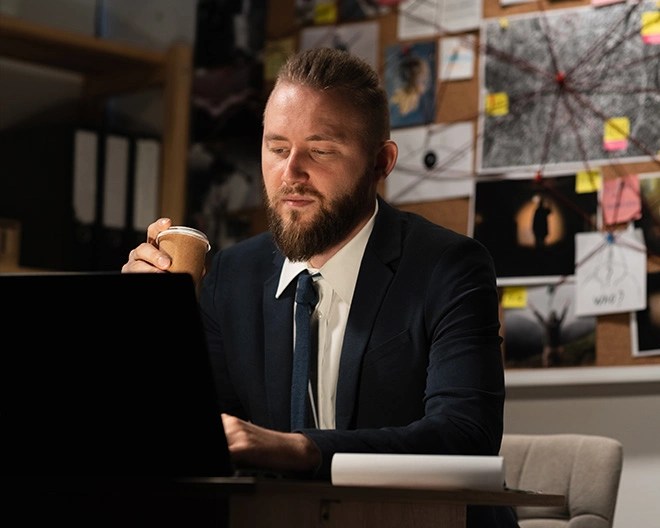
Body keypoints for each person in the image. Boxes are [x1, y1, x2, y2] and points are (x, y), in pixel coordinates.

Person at [122, 47, 518, 528]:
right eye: (277, 148)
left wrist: (300, 449)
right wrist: (148, 327)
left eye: (322, 150)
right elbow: (188, 446)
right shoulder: (231, 276)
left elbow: (464, 437)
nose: (291, 174)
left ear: (380, 162)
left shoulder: (450, 266)